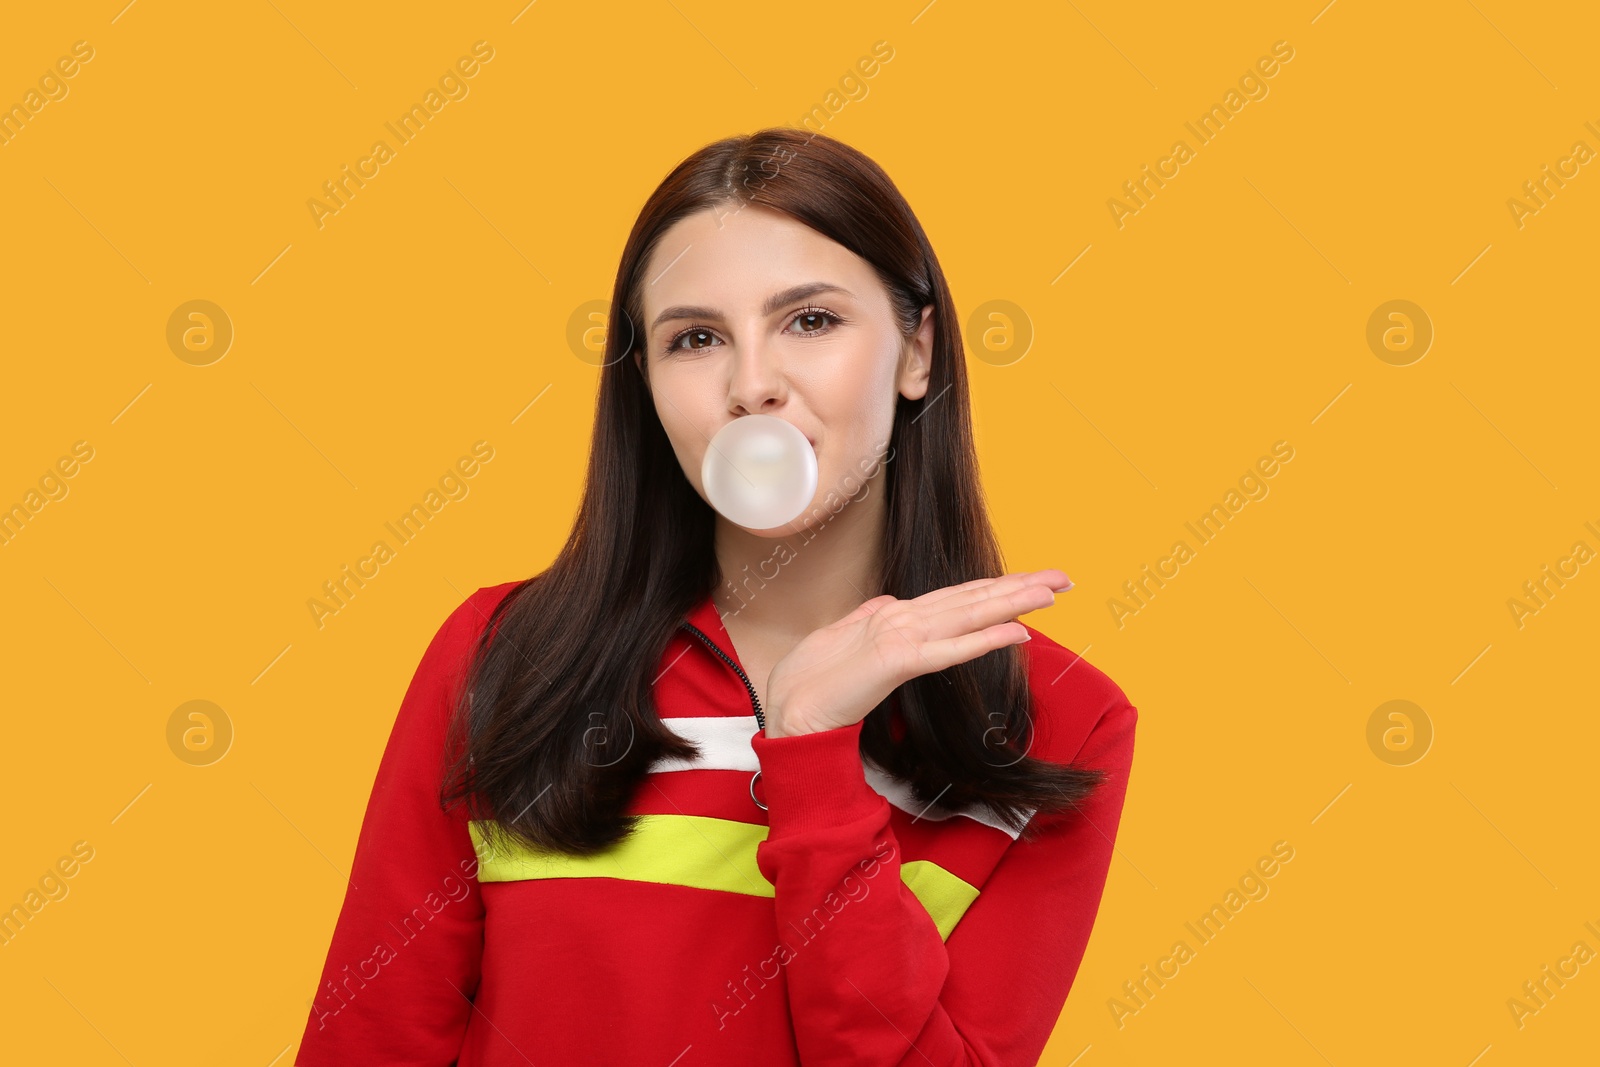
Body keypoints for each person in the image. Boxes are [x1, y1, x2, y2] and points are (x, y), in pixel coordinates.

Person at [296, 127, 1139, 1066]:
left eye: (810, 321)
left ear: (918, 352)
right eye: (695, 339)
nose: (751, 386)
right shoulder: (506, 656)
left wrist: (814, 759)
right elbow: (370, 1042)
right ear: (646, 384)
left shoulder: (1057, 722)